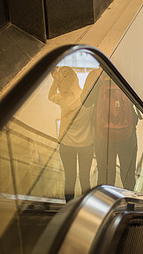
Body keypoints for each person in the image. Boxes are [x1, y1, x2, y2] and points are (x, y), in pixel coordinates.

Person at [82, 68, 141, 191]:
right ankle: (130, 206)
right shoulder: (127, 72)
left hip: (103, 136)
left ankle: (106, 207)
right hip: (127, 134)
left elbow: (85, 102)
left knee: (105, 176)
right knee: (128, 176)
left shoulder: (95, 75)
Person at [49, 66, 94, 202]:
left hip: (67, 145)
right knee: (85, 178)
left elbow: (50, 96)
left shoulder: (62, 99)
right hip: (86, 145)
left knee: (70, 178)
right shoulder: (86, 98)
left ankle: (69, 208)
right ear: (75, 79)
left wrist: (56, 79)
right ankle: (86, 207)